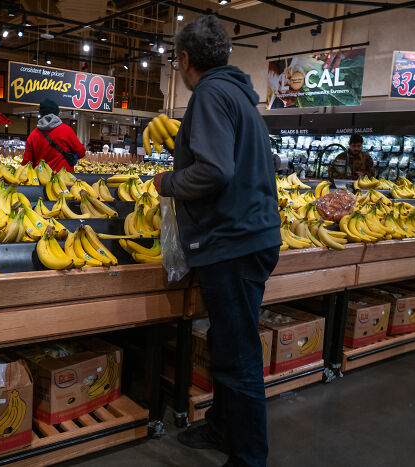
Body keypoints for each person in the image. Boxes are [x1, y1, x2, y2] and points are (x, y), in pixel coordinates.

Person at [153, 15, 281, 467]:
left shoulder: (209, 94)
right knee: (230, 346)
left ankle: (249, 458)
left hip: (233, 242)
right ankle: (224, 427)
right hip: (249, 237)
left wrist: (168, 182)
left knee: (239, 353)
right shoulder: (240, 95)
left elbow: (214, 170)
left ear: (185, 59)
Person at [21, 99, 85, 172]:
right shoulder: (66, 130)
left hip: (41, 178)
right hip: (64, 179)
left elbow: (26, 163)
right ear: (57, 114)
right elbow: (81, 152)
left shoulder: (32, 136)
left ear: (41, 114)